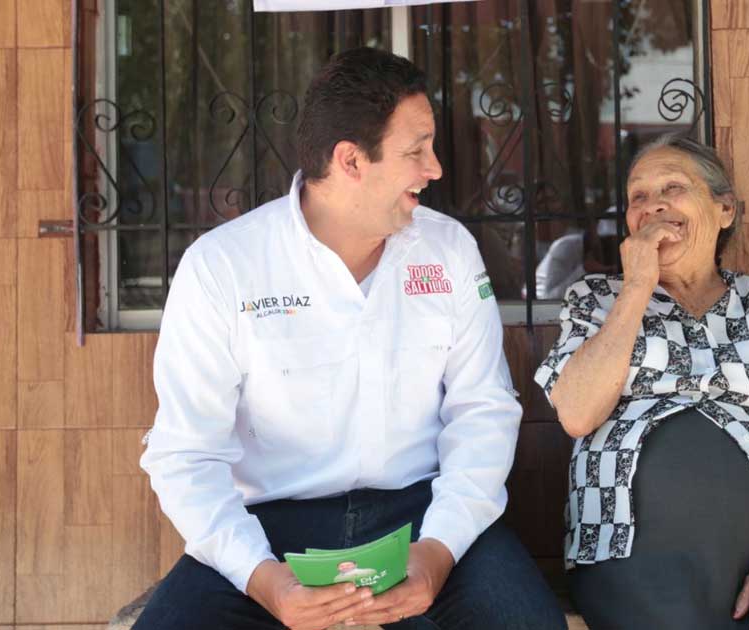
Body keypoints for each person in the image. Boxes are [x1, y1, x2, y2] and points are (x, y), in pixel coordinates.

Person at [136, 47, 565, 630]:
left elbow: (482, 412)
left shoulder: (449, 250)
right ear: (351, 161)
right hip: (268, 528)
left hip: (423, 515)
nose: (435, 169)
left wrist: (437, 555)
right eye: (416, 152)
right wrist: (266, 582)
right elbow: (186, 454)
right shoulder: (223, 266)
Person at [533, 134, 749, 630]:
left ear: (724, 210)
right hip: (627, 555)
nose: (653, 206)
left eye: (673, 187)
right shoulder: (595, 300)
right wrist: (636, 285)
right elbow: (576, 413)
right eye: (638, 196)